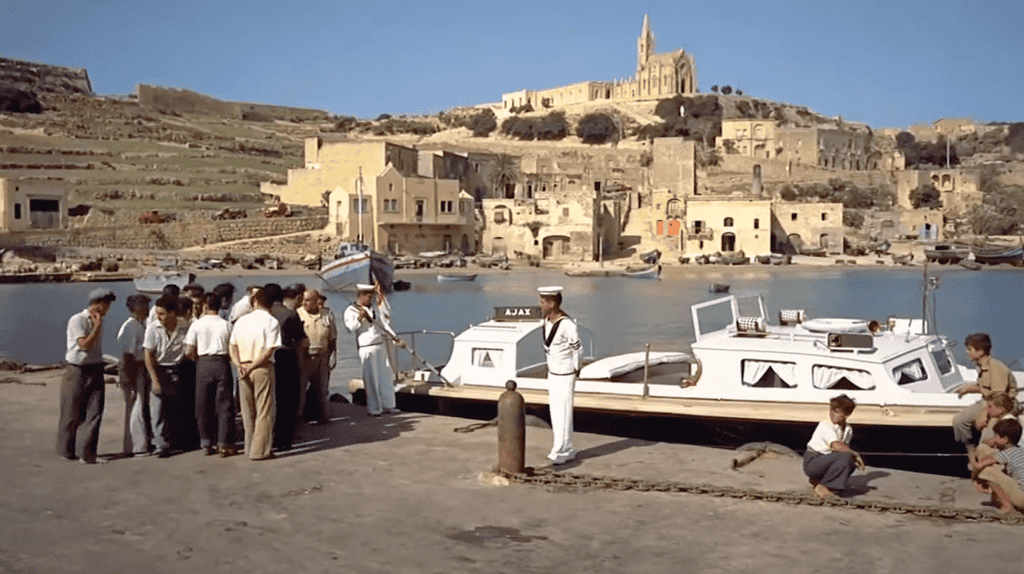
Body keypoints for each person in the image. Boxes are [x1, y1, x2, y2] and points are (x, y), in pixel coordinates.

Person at [58, 288, 117, 464]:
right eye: (107, 305)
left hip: (95, 367)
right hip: (76, 369)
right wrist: (97, 327)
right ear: (99, 305)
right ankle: (66, 451)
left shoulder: (99, 320)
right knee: (71, 412)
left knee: (94, 411)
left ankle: (87, 454)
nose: (108, 309)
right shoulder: (78, 320)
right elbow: (84, 345)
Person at [229, 287, 281, 461]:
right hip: (261, 367)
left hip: (242, 366)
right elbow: (267, 351)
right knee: (264, 410)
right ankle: (260, 451)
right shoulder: (271, 322)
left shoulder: (241, 321)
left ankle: (249, 446)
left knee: (247, 411)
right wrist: (252, 367)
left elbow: (232, 346)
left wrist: (239, 365)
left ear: (255, 302)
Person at [954, 333, 1017, 467]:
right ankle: (971, 452)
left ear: (980, 352)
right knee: (959, 421)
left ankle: (988, 466)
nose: (967, 352)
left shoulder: (996, 368)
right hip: (989, 401)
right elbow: (986, 387)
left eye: (970, 349)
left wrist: (985, 413)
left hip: (1003, 406)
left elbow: (999, 397)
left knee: (988, 433)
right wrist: (968, 389)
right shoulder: (982, 366)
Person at [184, 293, 236, 457]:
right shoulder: (227, 325)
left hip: (203, 363)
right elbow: (232, 347)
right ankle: (224, 442)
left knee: (203, 405)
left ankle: (206, 442)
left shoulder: (197, 325)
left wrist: (197, 359)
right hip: (222, 362)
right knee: (224, 406)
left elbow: (188, 350)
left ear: (205, 306)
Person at [344, 283, 404, 416]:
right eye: (367, 296)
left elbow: (383, 324)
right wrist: (360, 318)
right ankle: (374, 408)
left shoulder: (374, 309)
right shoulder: (351, 310)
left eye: (371, 296)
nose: (369, 299)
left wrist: (395, 338)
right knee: (371, 379)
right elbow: (350, 328)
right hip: (367, 347)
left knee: (386, 376)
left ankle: (388, 405)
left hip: (379, 344)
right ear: (361, 296)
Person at [538, 286, 582, 465]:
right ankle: (561, 445)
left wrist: (576, 369)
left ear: (552, 303)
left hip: (565, 374)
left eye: (543, 302)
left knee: (564, 411)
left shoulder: (567, 325)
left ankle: (562, 449)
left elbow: (578, 350)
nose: (540, 305)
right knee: (555, 411)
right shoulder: (547, 321)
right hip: (553, 373)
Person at [144, 295, 189, 458]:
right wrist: (155, 380)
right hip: (159, 370)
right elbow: (147, 355)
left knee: (176, 409)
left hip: (178, 370)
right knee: (157, 410)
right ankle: (160, 444)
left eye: (162, 313)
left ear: (172, 313)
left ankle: (176, 442)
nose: (158, 317)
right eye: (157, 313)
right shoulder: (152, 328)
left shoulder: (184, 326)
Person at [266, 284, 307, 452]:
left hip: (266, 358)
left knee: (269, 399)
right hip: (286, 358)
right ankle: (284, 440)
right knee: (288, 401)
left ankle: (267, 437)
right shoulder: (290, 314)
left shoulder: (263, 315)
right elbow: (301, 340)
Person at [803, 394, 865, 498]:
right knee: (846, 456)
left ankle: (821, 482)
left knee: (850, 461)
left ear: (847, 414)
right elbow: (836, 445)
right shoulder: (825, 425)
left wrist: (852, 457)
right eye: (832, 410)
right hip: (813, 461)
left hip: (827, 460)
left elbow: (843, 449)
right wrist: (854, 453)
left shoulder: (848, 429)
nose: (833, 414)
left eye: (838, 412)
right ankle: (824, 486)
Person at [117, 294, 152, 456]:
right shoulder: (130, 327)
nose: (147, 310)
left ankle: (138, 444)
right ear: (138, 308)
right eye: (145, 307)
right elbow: (127, 356)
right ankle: (137, 446)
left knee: (141, 407)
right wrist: (128, 381)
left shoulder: (140, 325)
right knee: (136, 408)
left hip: (140, 368)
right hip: (134, 369)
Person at [298, 289, 338, 422]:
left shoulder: (326, 316)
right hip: (304, 357)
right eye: (303, 300)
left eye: (308, 300)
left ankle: (322, 418)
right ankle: (299, 419)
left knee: (322, 390)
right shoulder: (298, 314)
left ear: (316, 302)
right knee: (301, 391)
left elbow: (332, 338)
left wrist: (333, 356)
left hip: (322, 357)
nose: (305, 303)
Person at [973, 418, 1024, 514]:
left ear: (1004, 439)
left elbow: (981, 464)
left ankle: (1007, 506)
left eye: (996, 436)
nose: (994, 438)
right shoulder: (1020, 450)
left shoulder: (1007, 453)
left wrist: (975, 478)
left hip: (1021, 498)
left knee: (987, 471)